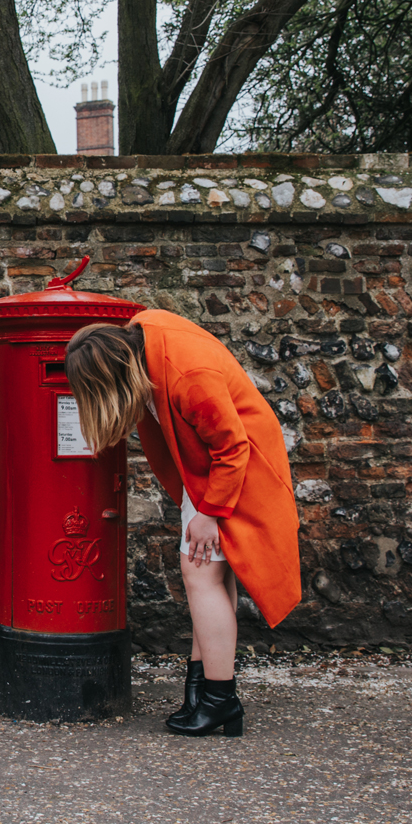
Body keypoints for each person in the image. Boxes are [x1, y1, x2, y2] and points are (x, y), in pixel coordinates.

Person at [64, 310, 301, 737]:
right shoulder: (143, 336)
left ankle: (220, 699)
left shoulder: (188, 374)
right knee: (210, 573)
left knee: (199, 570)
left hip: (239, 469)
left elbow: (234, 447)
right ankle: (203, 693)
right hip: (208, 470)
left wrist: (210, 514)